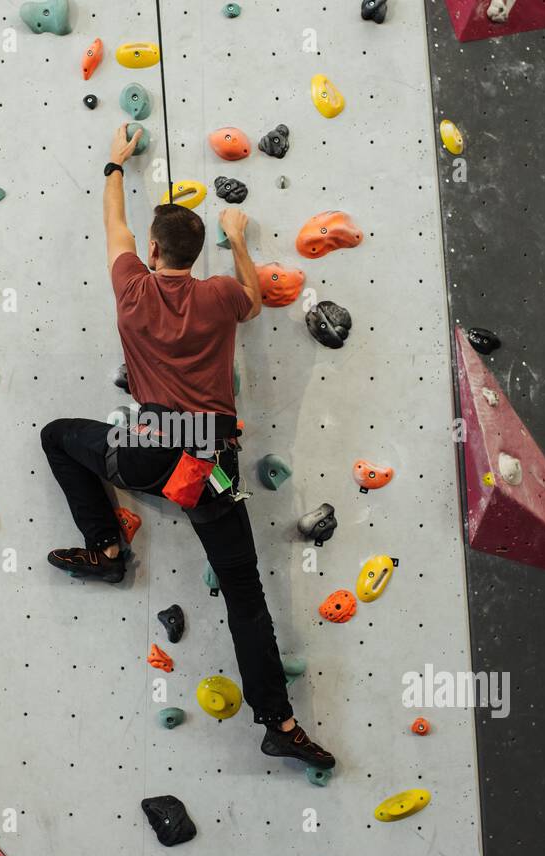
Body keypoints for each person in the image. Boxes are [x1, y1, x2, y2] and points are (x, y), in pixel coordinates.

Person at [38, 125, 335, 770]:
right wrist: (237, 242)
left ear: (152, 251)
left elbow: (113, 225)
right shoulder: (220, 294)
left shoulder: (133, 289)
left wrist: (116, 162)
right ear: (198, 256)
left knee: (59, 438)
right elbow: (254, 299)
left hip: (148, 450)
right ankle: (279, 723)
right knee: (244, 590)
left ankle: (107, 547)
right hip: (211, 463)